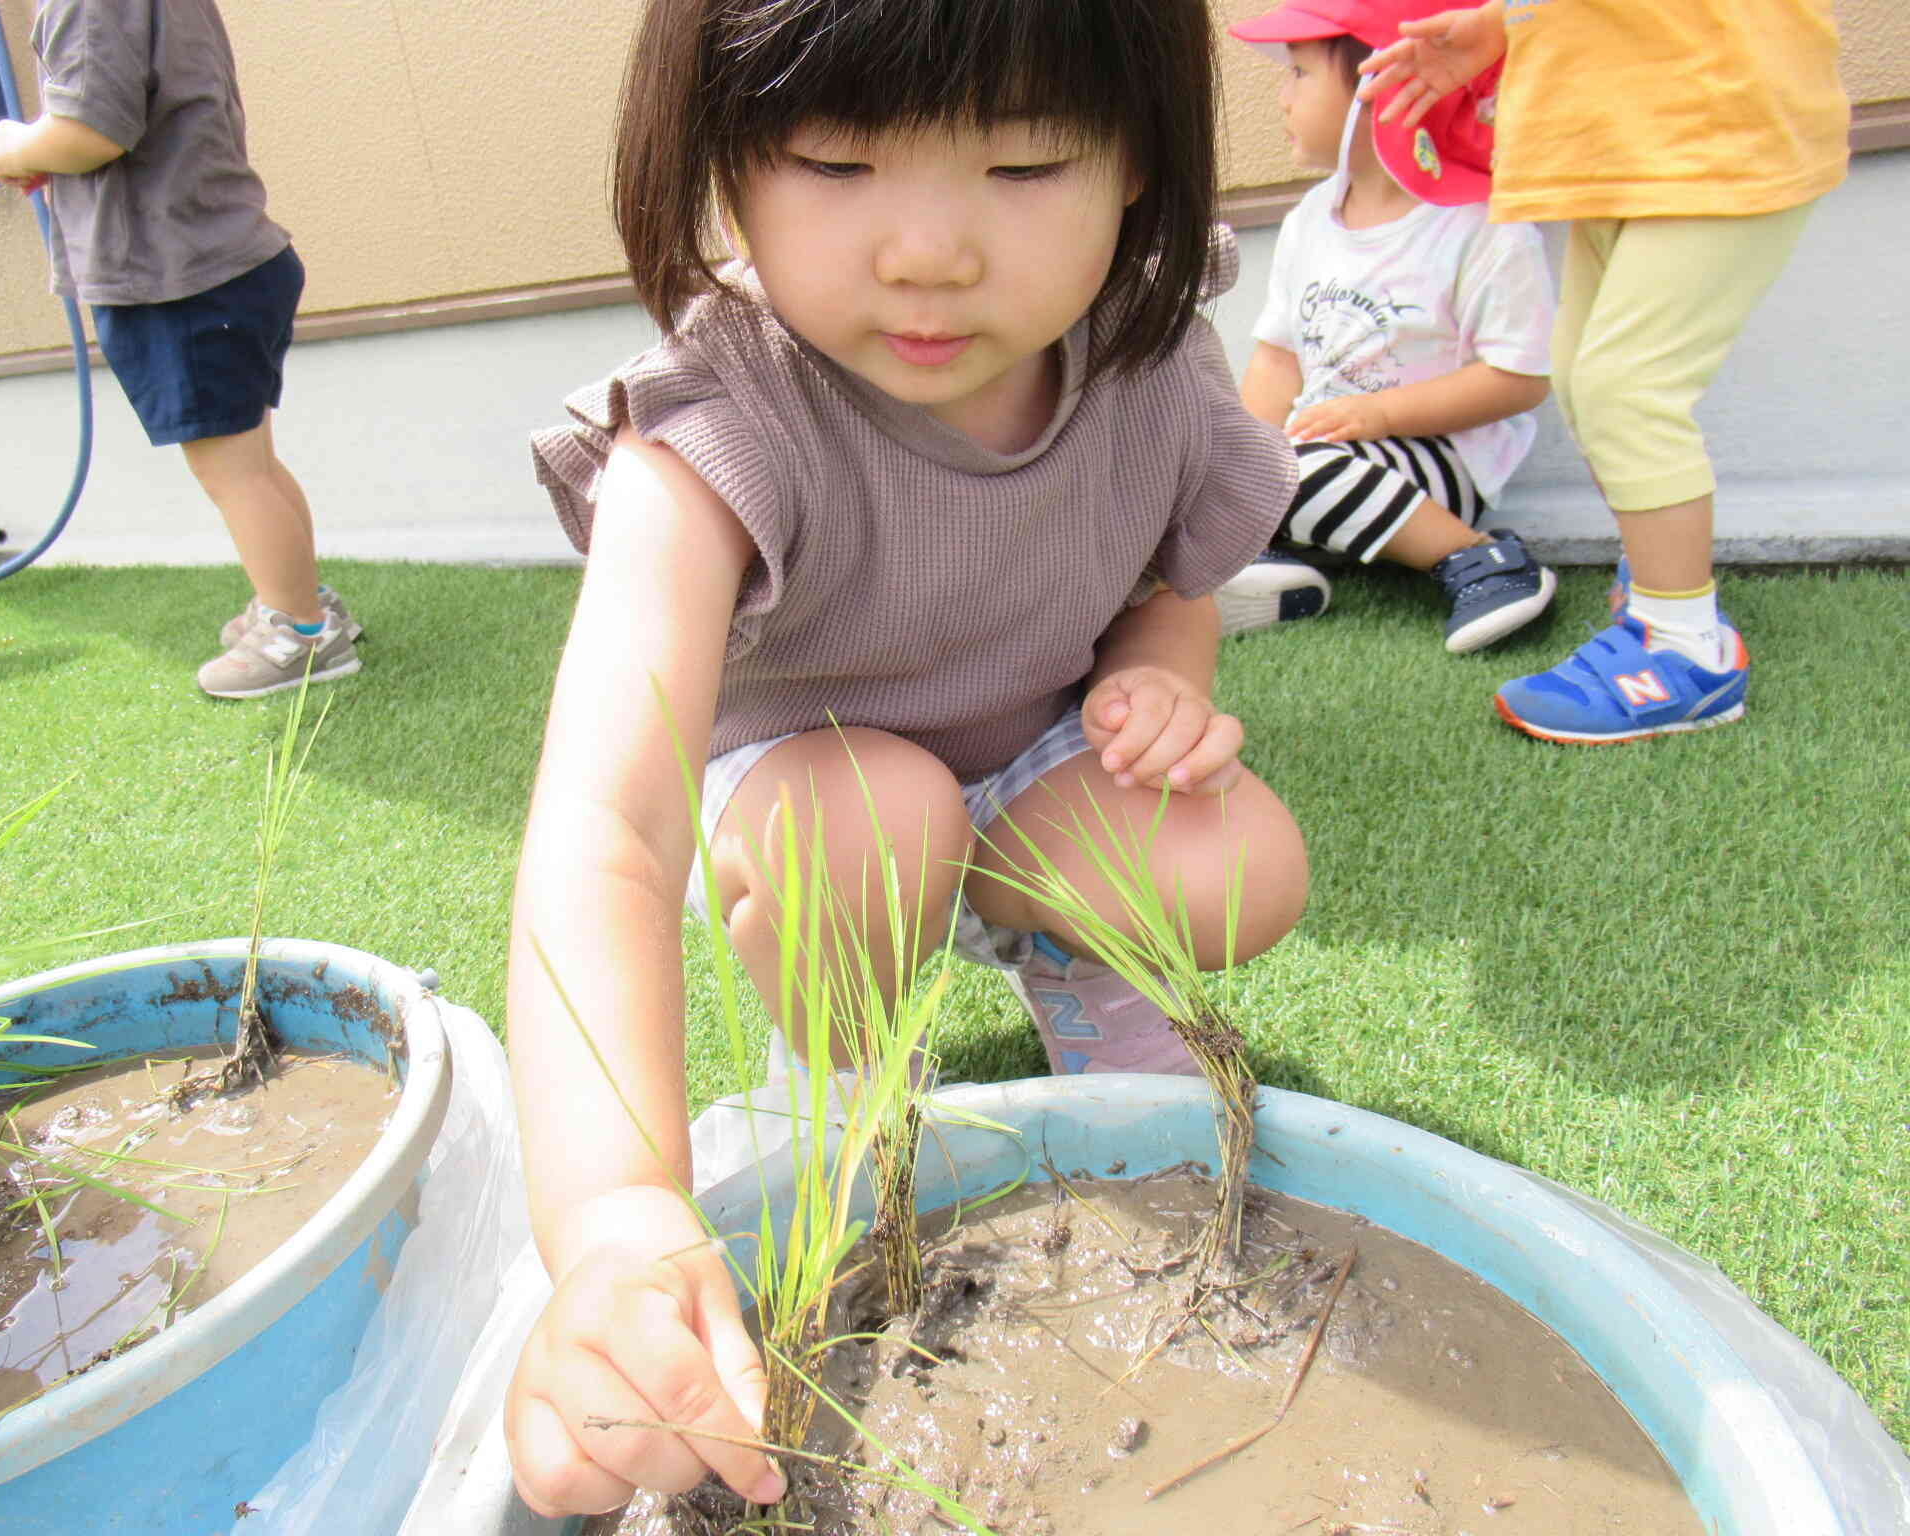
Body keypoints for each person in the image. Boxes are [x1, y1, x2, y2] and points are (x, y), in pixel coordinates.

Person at [501, 0, 1310, 1516]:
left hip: (1029, 769)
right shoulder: (711, 425)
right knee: (871, 820)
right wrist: (614, 1215)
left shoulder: (1150, 360)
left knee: (1239, 861)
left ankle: (1071, 956)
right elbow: (606, 829)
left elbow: (1170, 586)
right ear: (722, 158)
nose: (929, 251)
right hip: (813, 800)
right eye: (835, 160)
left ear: (1138, 160)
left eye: (1025, 166)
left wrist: (1152, 688)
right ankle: (847, 1044)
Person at [1361, 0, 1849, 741]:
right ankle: (1663, 578)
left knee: (1626, 389)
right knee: (1587, 375)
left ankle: (1685, 646)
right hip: (1632, 142)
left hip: (1713, 126)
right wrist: (1505, 22)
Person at [0, 0, 360, 700]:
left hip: (179, 282)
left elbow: (89, 132)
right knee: (253, 463)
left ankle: (303, 633)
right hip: (221, 263)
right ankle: (304, 604)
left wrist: (13, 145)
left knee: (236, 474)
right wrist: (56, 150)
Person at [1217, 0, 1557, 655]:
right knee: (1214, 457)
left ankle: (1482, 560)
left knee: (1289, 471)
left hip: (1434, 457)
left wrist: (1378, 414)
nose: (1282, 95)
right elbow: (1277, 360)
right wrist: (1242, 462)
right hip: (1320, 452)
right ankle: (1256, 563)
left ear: (1384, 85)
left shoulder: (1480, 226)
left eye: (1298, 74)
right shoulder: (1310, 219)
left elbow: (1518, 379)